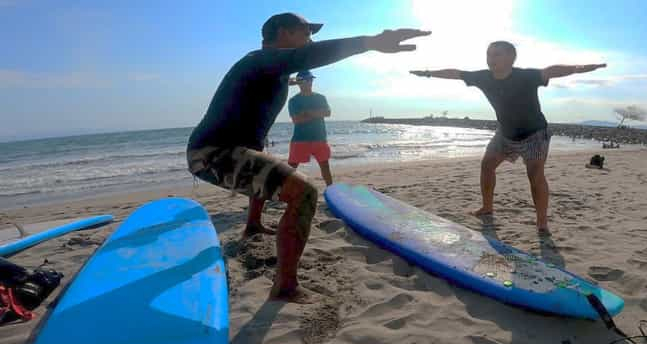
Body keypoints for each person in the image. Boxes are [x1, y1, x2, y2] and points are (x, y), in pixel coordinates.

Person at [187, 12, 429, 301]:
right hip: (212, 153)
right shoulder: (261, 61)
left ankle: (252, 225)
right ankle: (285, 286)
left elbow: (292, 68)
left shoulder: (271, 70)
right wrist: (370, 42)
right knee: (304, 193)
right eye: (306, 32)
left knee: (266, 164)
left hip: (230, 149)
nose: (310, 39)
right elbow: (309, 56)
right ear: (283, 33)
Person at [410, 41, 606, 235]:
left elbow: (552, 71)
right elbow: (455, 73)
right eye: (489, 54)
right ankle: (487, 207)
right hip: (505, 134)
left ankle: (542, 222)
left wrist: (582, 68)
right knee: (487, 166)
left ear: (511, 57)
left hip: (534, 134)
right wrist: (428, 73)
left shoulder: (526, 76)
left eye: (496, 54)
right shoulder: (483, 77)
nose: (491, 59)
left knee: (535, 175)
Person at [288, 70, 334, 185]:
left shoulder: (320, 98)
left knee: (325, 169)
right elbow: (297, 120)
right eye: (306, 80)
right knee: (289, 170)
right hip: (300, 140)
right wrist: (317, 113)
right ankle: (281, 192)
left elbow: (327, 113)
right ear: (299, 83)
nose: (309, 82)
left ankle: (331, 189)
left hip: (319, 138)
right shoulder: (294, 100)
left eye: (311, 79)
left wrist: (307, 113)